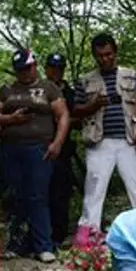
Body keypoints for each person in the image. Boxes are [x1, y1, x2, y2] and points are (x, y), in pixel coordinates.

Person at [71, 33, 136, 250]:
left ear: (115, 53)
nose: (105, 59)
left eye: (108, 54)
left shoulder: (130, 75)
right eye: (100, 55)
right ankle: (87, 242)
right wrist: (93, 105)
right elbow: (76, 110)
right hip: (99, 143)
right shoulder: (85, 81)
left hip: (128, 140)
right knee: (94, 192)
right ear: (94, 56)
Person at [0, 49, 70, 263]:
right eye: (20, 70)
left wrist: (57, 144)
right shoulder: (7, 90)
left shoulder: (49, 88)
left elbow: (63, 115)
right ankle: (16, 244)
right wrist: (11, 119)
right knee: (15, 196)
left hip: (39, 148)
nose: (25, 73)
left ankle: (43, 245)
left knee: (38, 196)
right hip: (11, 149)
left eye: (28, 68)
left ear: (35, 65)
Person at [44, 52, 79, 247]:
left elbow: (77, 116)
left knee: (62, 191)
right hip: (42, 145)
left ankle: (61, 233)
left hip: (64, 149)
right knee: (43, 191)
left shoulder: (70, 92)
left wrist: (64, 120)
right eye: (52, 68)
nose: (56, 72)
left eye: (59, 68)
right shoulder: (39, 89)